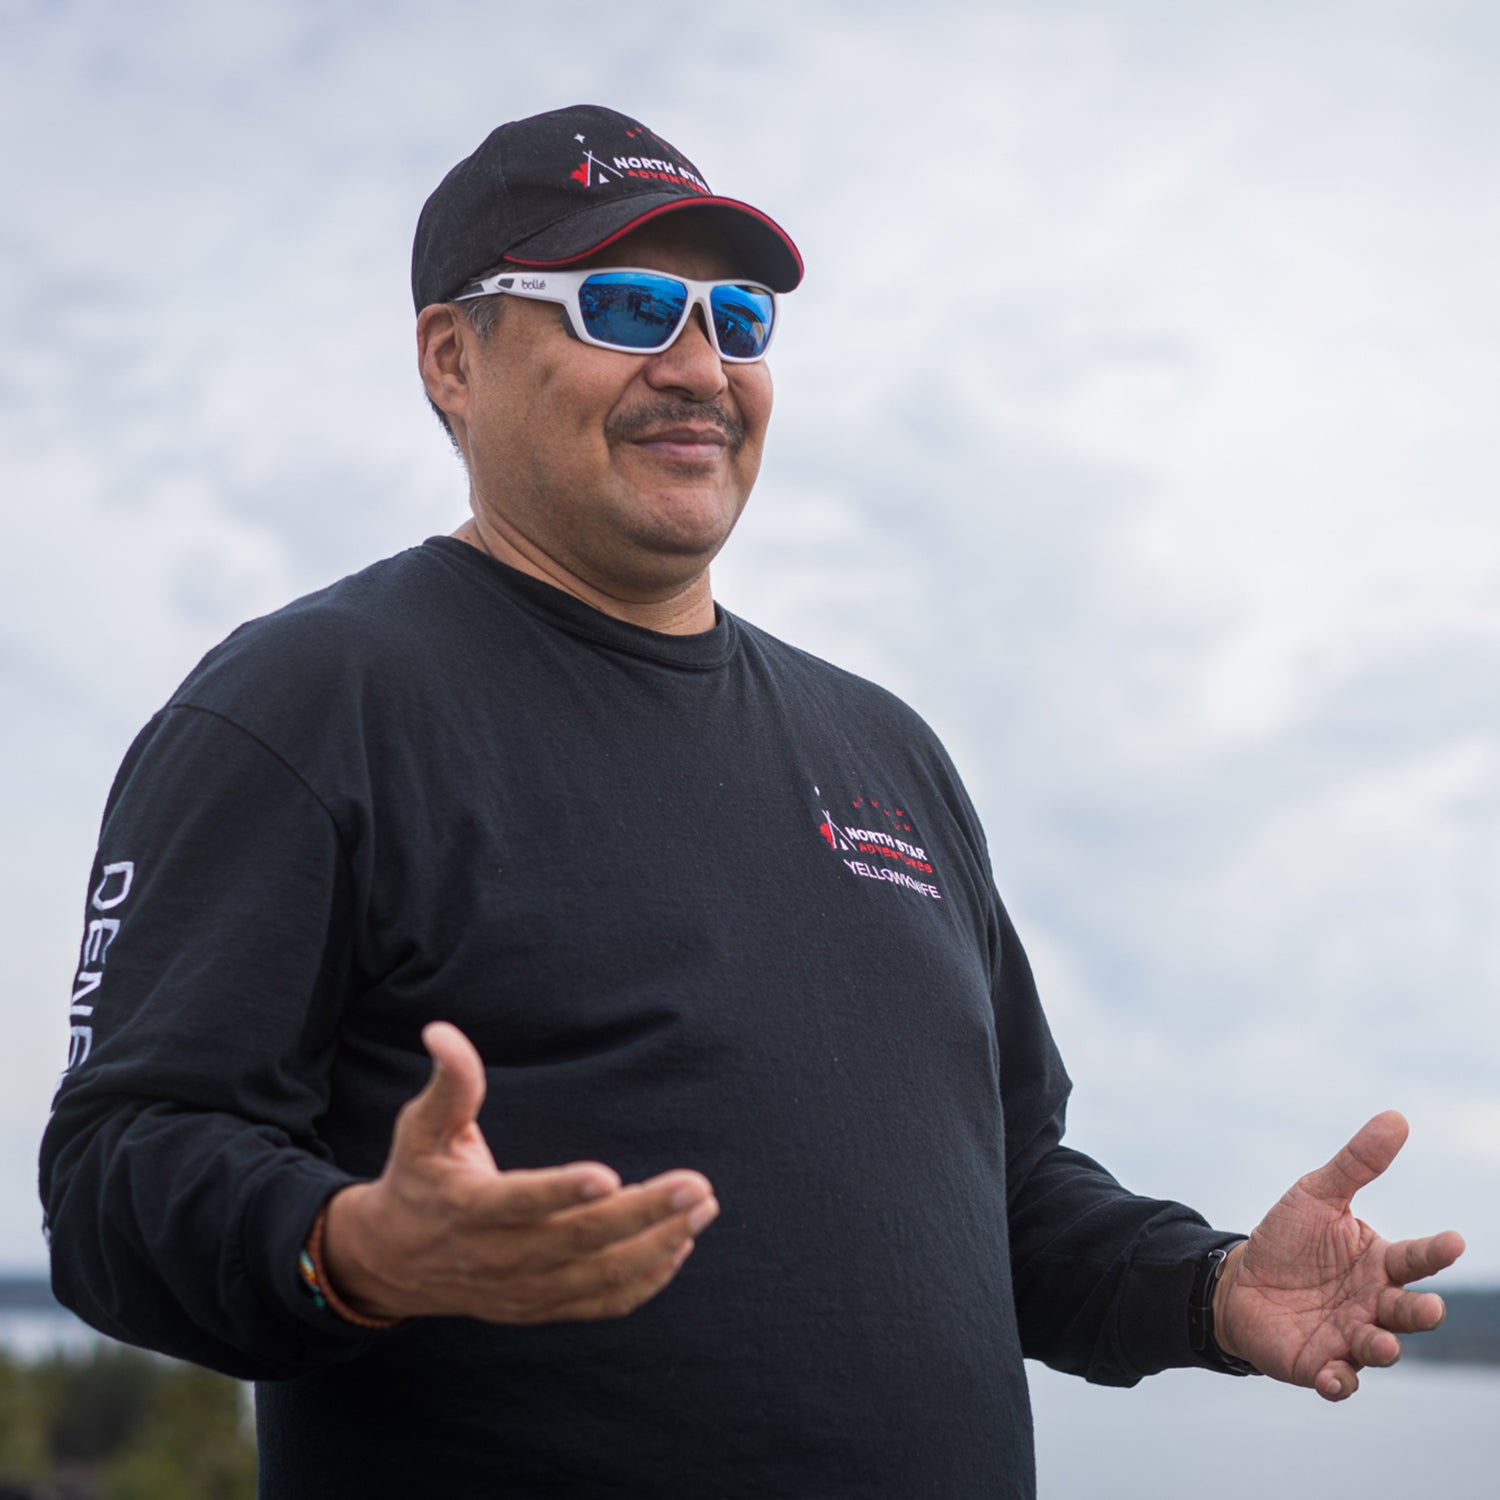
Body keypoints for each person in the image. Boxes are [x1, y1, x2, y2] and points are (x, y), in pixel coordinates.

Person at [40, 105, 1463, 1499]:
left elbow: (1011, 1193)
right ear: (452, 358)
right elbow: (116, 1181)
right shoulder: (311, 701)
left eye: (739, 321)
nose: (698, 366)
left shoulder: (887, 751)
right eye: (627, 306)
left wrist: (1210, 1289)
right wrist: (352, 1248)